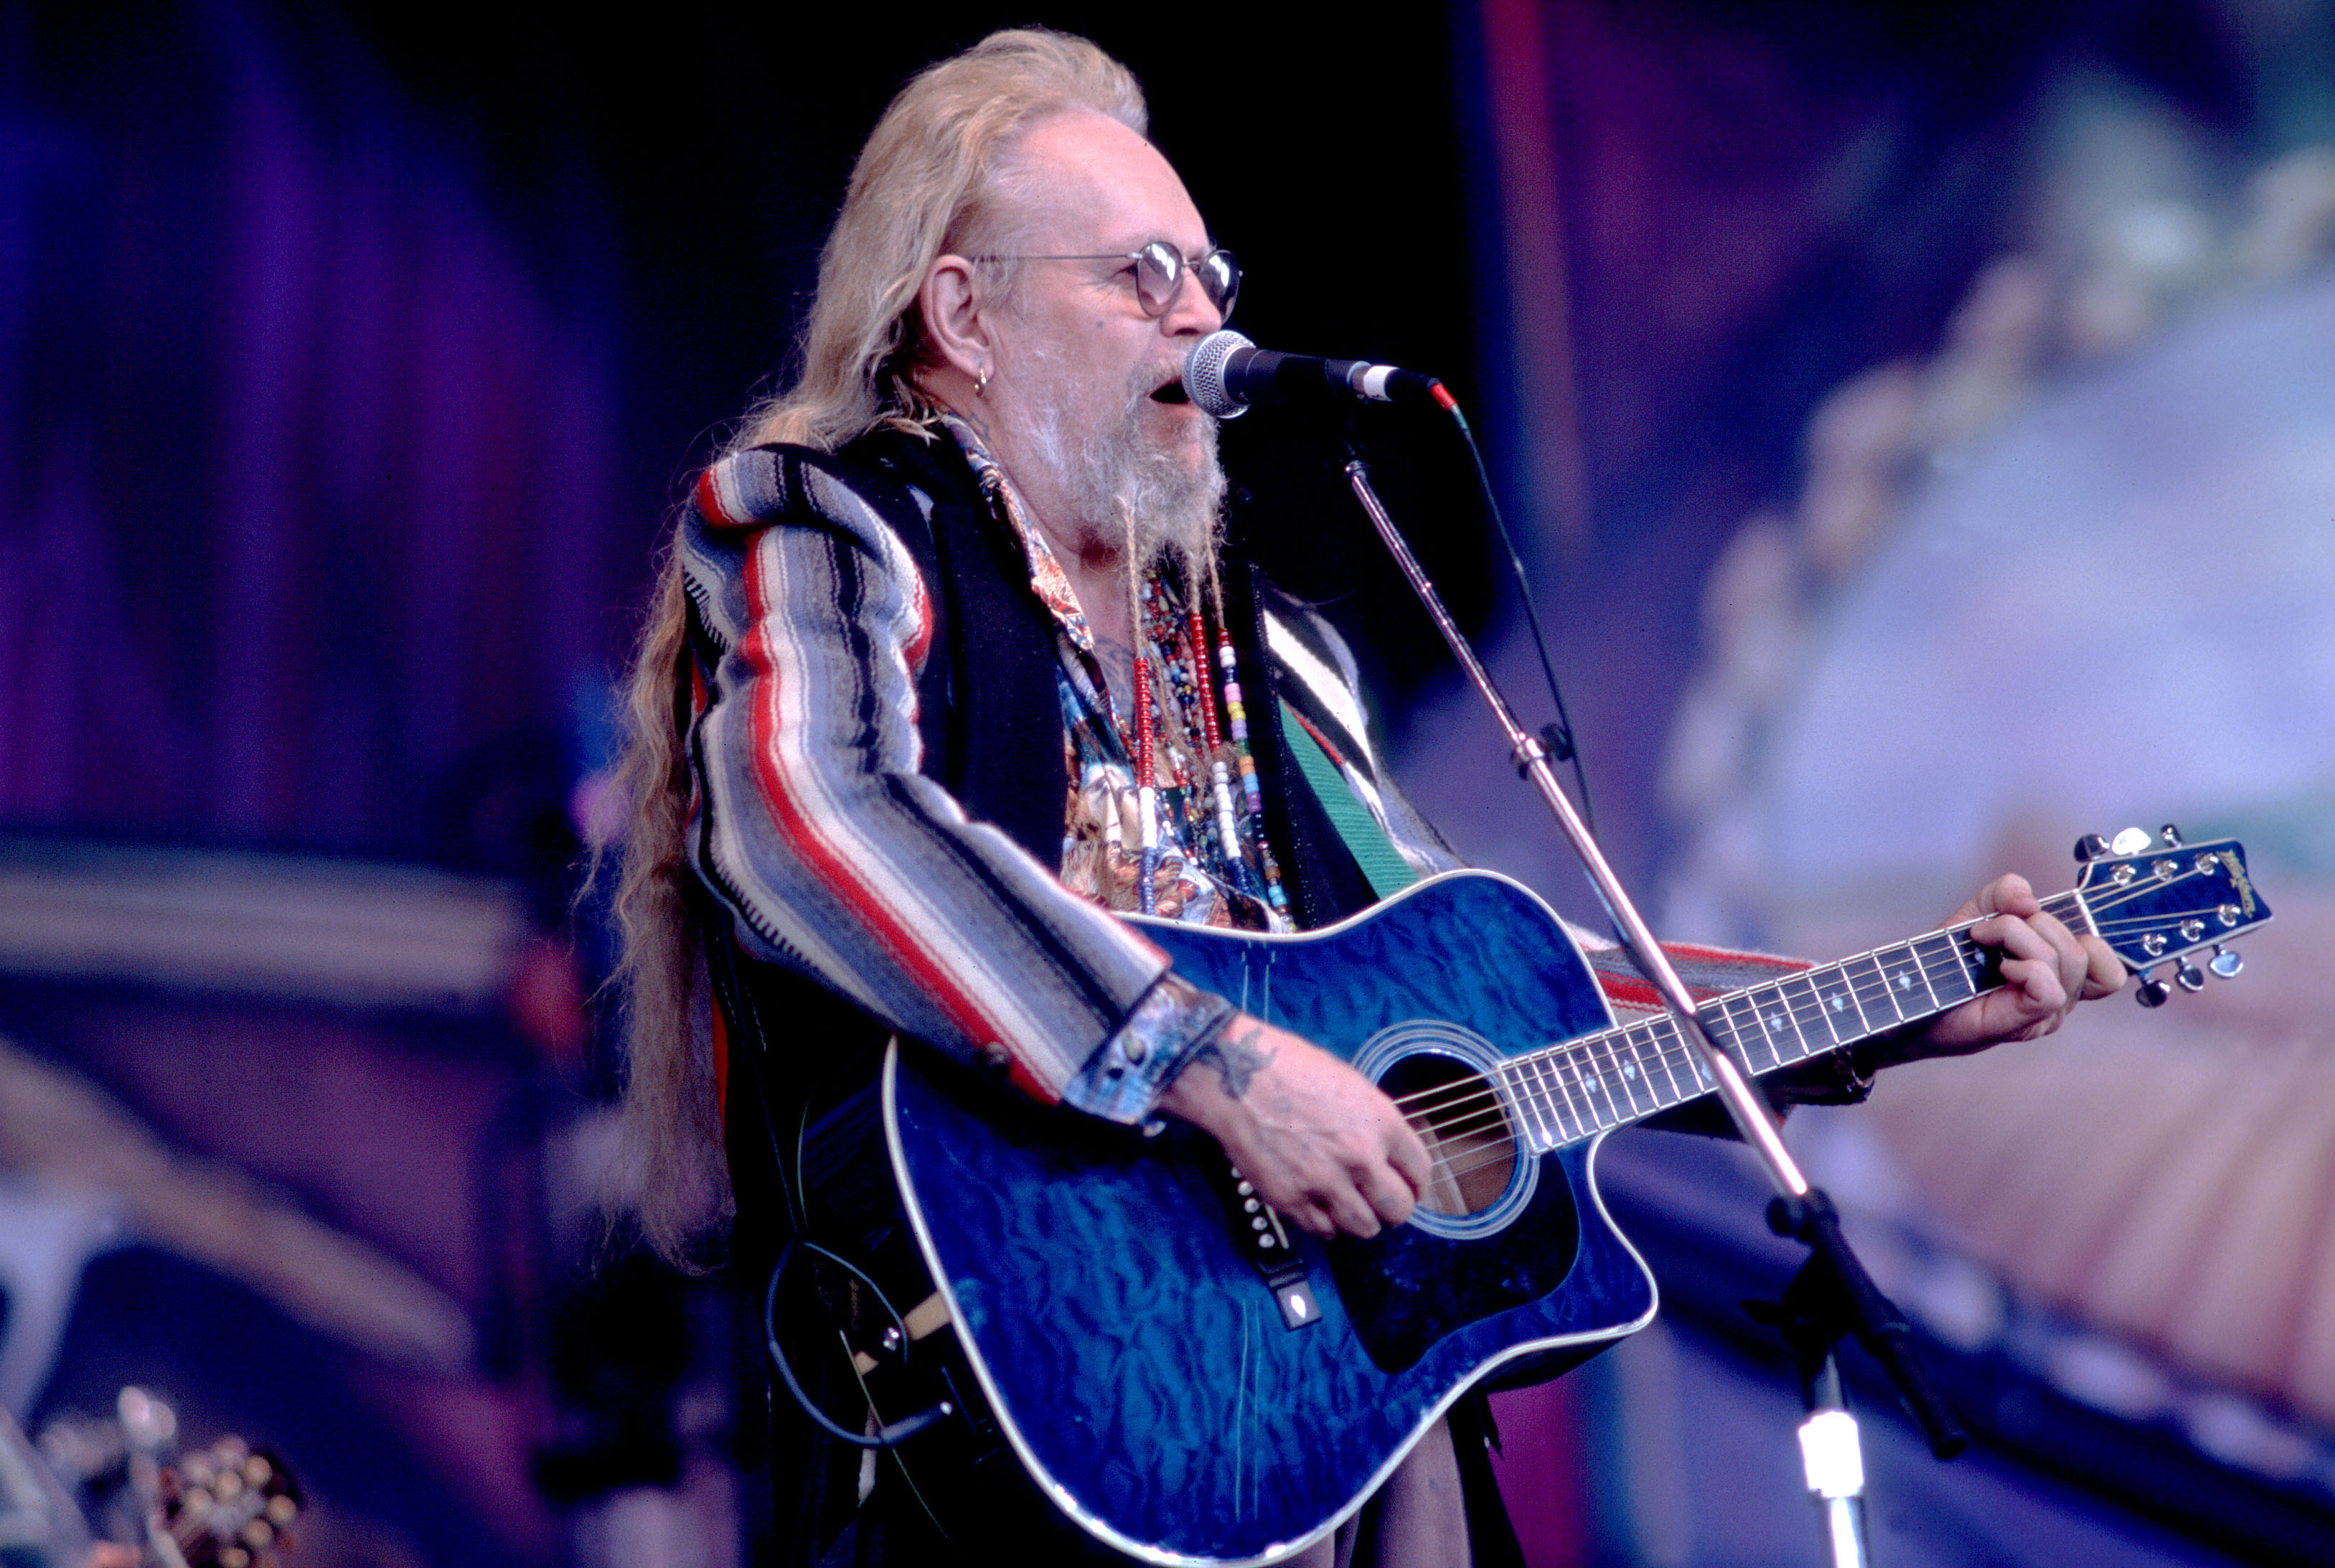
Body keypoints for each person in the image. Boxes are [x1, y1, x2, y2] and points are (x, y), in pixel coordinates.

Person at [603, 27, 2125, 1567]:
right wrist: (1216, 1067)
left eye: (1211, 277)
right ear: (963, 316)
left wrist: (1890, 1007)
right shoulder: (835, 523)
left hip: (1316, 1392)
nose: (1200, 322)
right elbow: (818, 817)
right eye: (1139, 277)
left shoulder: (1274, 650)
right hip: (1010, 1364)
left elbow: (1498, 997)